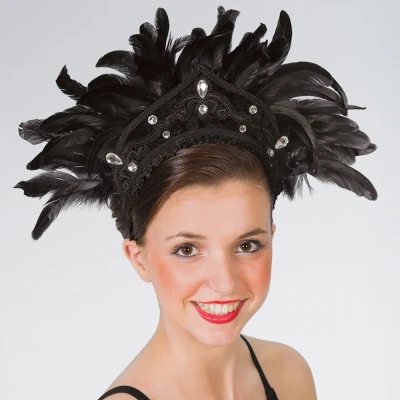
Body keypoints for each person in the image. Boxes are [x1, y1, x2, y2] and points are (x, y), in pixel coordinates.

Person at [13, 6, 377, 400]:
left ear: (272, 236)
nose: (225, 281)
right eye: (187, 249)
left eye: (247, 245)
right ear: (138, 258)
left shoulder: (289, 374)